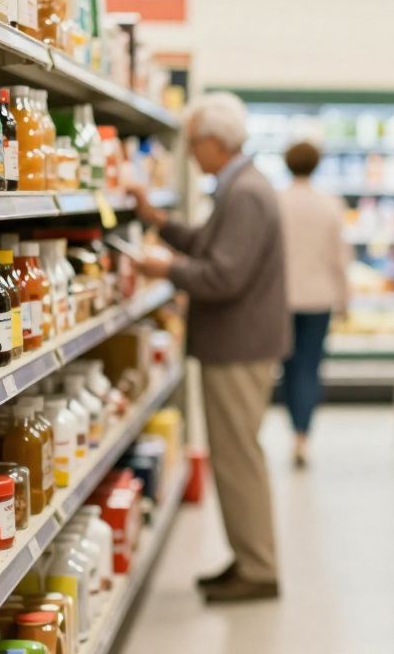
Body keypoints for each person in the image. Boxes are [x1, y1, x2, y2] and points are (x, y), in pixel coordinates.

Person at [129, 91, 287, 603]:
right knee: (235, 456)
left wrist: (166, 269)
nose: (191, 153)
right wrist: (159, 221)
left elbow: (224, 275)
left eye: (194, 142)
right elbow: (212, 245)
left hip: (239, 347)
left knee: (237, 459)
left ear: (216, 142)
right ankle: (248, 558)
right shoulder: (240, 186)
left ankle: (258, 569)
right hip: (238, 344)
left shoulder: (245, 193)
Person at [278, 140, 351, 468]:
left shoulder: (277, 201)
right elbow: (339, 256)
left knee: (288, 367)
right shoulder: (329, 204)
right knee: (310, 366)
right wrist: (344, 298)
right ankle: (302, 436)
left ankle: (294, 428)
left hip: (283, 298)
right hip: (320, 298)